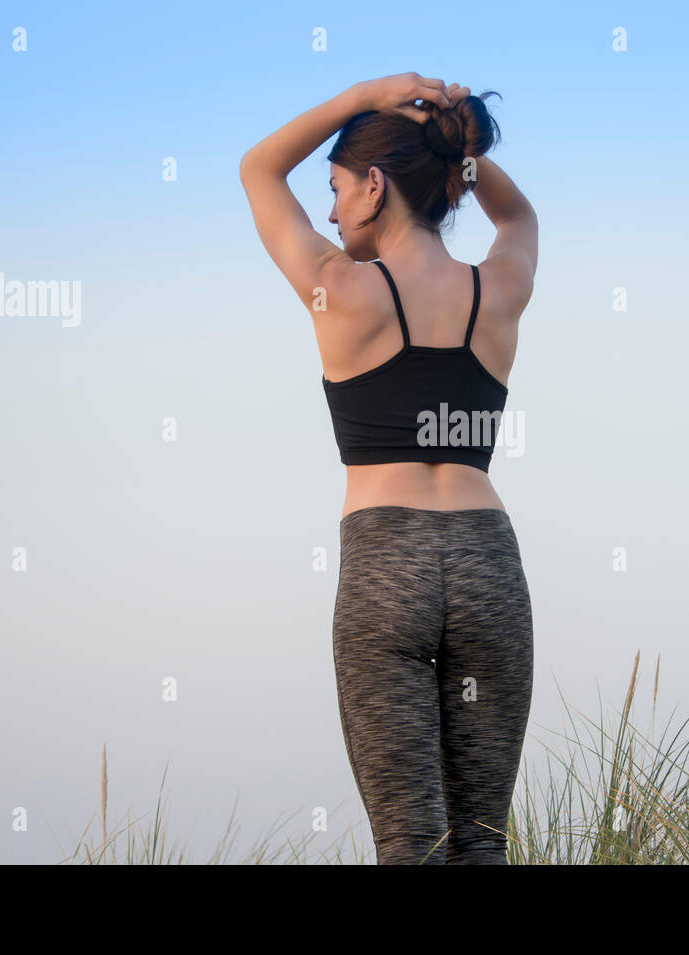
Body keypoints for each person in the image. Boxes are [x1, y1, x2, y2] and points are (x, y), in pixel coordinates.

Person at [239, 73, 538, 864]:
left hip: (386, 560)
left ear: (374, 186)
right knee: (481, 841)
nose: (332, 212)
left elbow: (258, 169)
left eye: (337, 190)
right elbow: (519, 215)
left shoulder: (340, 290)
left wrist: (362, 97)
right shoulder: (498, 288)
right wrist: (457, 148)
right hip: (488, 561)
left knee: (412, 841)